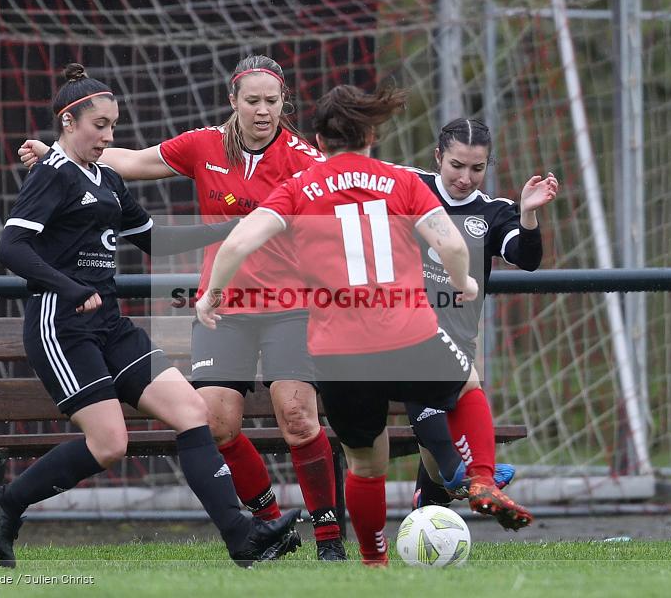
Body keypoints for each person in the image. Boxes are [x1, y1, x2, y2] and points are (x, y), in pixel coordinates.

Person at [196, 84, 546, 565]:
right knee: (466, 383)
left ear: (319, 141)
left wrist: (212, 292)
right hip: (409, 333)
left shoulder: (299, 188)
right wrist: (463, 280)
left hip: (340, 352)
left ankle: (374, 558)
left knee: (365, 464)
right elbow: (451, 243)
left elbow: (239, 242)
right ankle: (481, 476)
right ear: (372, 135)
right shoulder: (402, 183)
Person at [17, 55, 345, 561]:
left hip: (288, 306)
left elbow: (348, 198)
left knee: (297, 416)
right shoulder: (203, 144)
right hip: (221, 305)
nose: (263, 111)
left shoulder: (304, 159)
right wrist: (59, 153)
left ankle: (329, 539)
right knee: (215, 423)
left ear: (285, 103)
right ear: (233, 101)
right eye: (252, 101)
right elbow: (130, 160)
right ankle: (266, 525)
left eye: (272, 101)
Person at [407, 119, 558, 521]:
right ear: (438, 156)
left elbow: (526, 259)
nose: (465, 177)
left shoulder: (494, 212)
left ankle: (440, 499)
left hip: (456, 346)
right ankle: (478, 479)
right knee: (446, 376)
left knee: (439, 465)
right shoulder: (407, 186)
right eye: (456, 165)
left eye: (476, 168)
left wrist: (526, 214)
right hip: (397, 340)